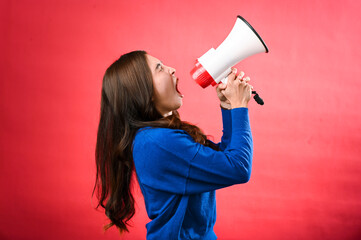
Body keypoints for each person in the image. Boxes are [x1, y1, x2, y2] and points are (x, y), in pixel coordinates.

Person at [93, 50, 253, 239]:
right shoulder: (157, 142)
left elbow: (223, 159)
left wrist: (228, 107)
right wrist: (240, 107)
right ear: (142, 92)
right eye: (159, 68)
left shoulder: (157, 138)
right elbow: (238, 168)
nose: (172, 69)